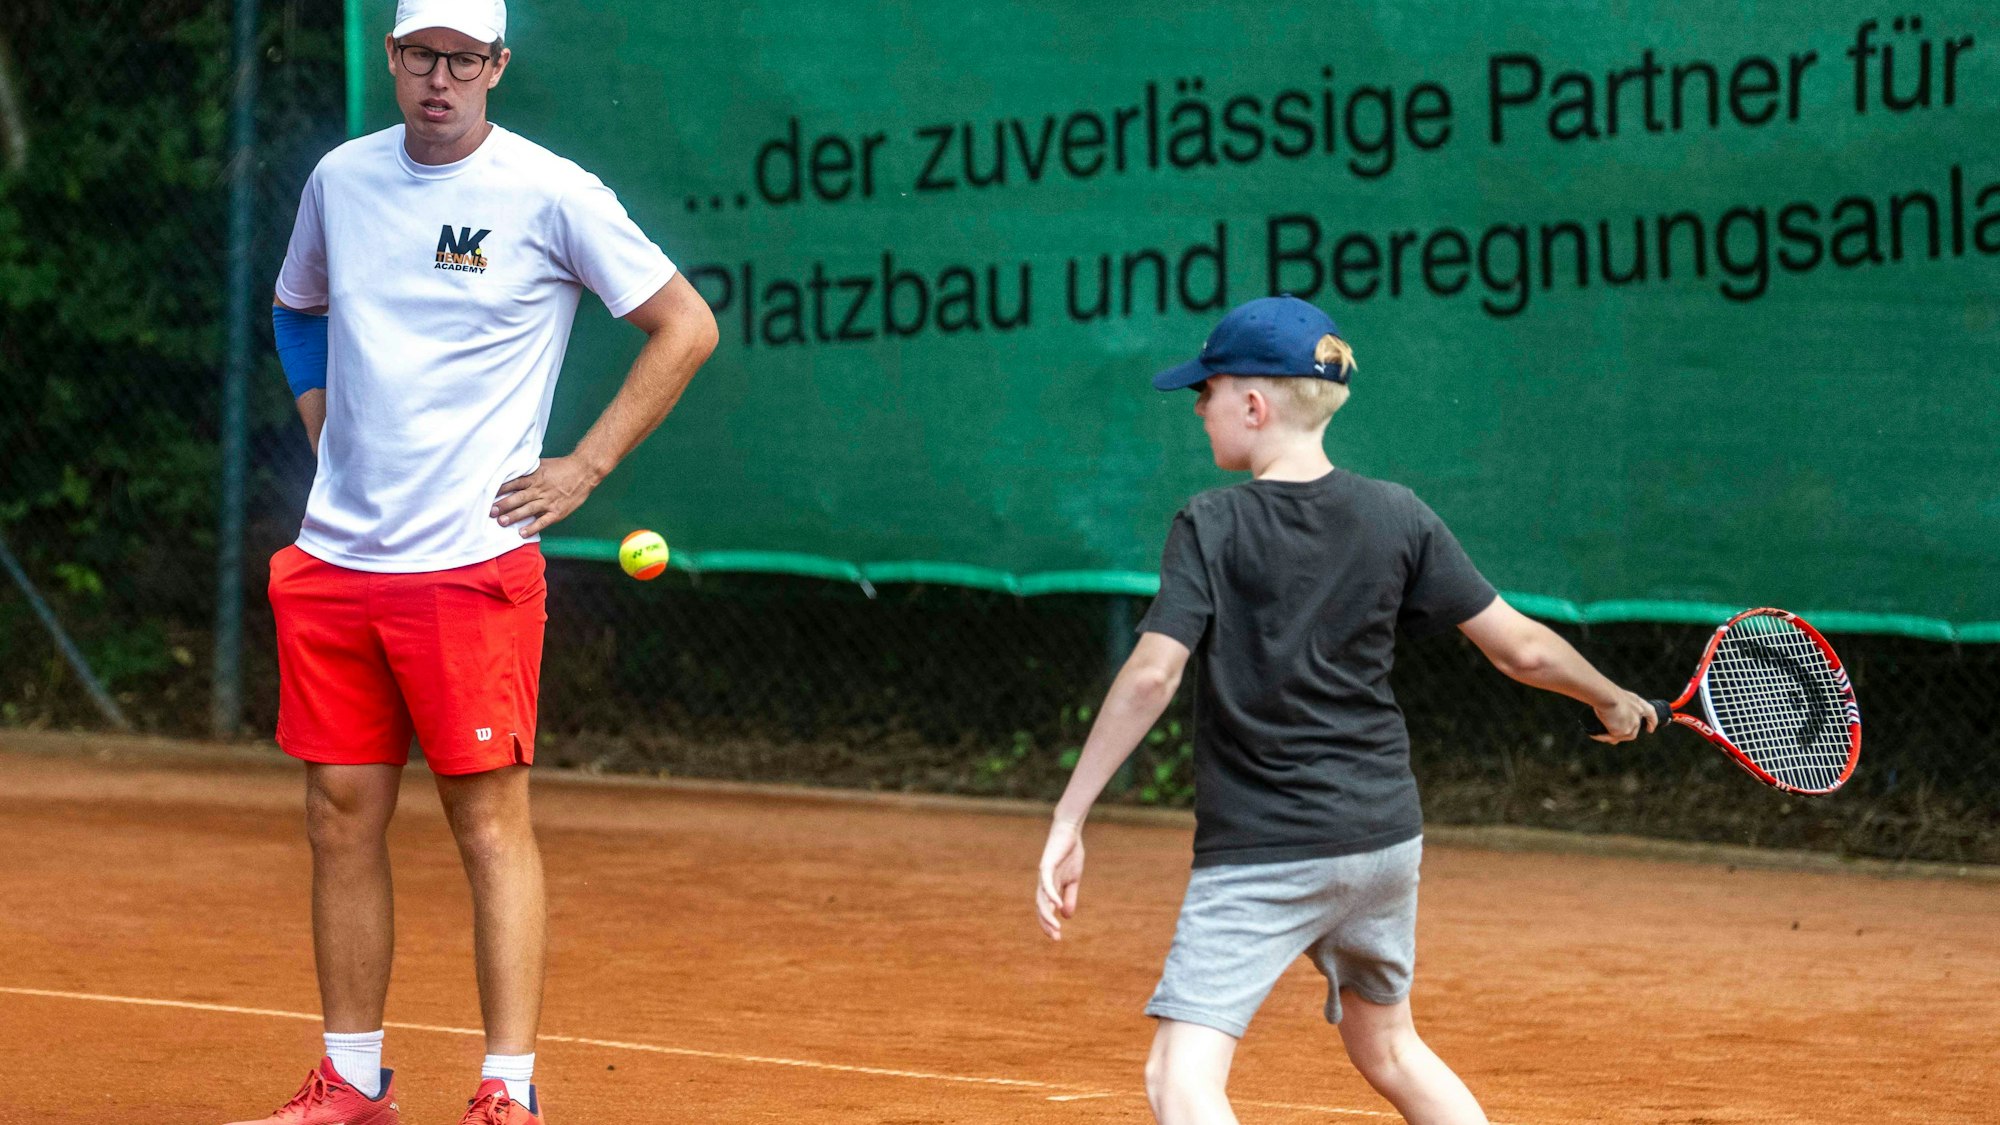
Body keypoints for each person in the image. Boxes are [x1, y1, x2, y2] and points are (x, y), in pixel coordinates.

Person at [236, 0, 717, 1122]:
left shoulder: (550, 192)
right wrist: (321, 427)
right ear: (392, 57)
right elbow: (297, 308)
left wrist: (584, 468)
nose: (438, 79)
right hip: (336, 558)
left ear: (497, 65)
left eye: (462, 59)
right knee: (338, 814)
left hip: (469, 566)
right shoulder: (341, 180)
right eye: (420, 55)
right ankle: (352, 1080)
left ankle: (507, 1091)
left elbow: (686, 324)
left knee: (487, 824)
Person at [1033, 295, 1655, 1125]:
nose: (1198, 406)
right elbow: (1523, 650)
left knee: (1179, 1079)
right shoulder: (1399, 513)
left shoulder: (1211, 522)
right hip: (1382, 841)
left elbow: (1152, 674)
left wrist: (1069, 816)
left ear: (1254, 405)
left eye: (1206, 391)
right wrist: (1610, 696)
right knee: (1389, 1048)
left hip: (1266, 845)